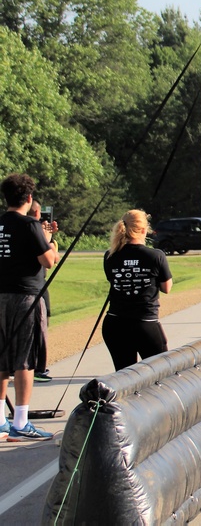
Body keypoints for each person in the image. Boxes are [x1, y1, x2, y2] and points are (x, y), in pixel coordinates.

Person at [0, 173, 58, 441]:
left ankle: (0, 420)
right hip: (26, 297)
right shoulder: (30, 226)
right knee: (25, 358)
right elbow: (48, 260)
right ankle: (20, 422)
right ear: (29, 198)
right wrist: (51, 241)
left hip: (1, 295)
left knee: (2, 357)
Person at [102, 209, 173, 372]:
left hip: (115, 323)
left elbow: (112, 280)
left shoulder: (110, 255)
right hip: (144, 323)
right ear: (143, 230)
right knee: (161, 373)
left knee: (124, 376)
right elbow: (166, 288)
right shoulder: (155, 255)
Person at [28, 200, 55, 382]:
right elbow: (49, 261)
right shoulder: (32, 229)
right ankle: (38, 367)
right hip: (34, 288)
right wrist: (46, 240)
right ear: (37, 213)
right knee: (39, 328)